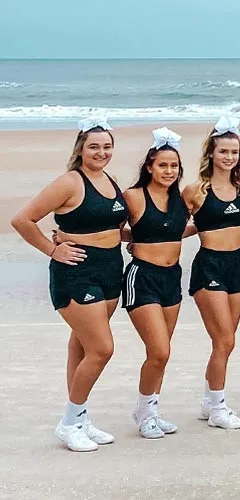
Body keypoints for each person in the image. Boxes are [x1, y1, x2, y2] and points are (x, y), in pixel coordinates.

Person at [12, 117, 125, 451]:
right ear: (81, 149)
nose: (101, 152)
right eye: (94, 146)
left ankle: (80, 418)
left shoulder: (110, 180)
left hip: (110, 269)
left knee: (83, 344)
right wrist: (53, 248)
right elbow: (22, 219)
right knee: (103, 348)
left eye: (106, 146)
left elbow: (111, 227)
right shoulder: (70, 182)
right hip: (77, 271)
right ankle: (69, 422)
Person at [122, 127, 191, 438]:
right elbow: (112, 230)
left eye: (174, 166)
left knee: (162, 353)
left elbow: (178, 231)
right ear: (149, 166)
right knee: (159, 350)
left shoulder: (181, 200)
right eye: (162, 165)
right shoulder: (134, 197)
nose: (169, 171)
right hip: (143, 277)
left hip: (172, 278)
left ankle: (149, 410)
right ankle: (144, 413)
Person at [185, 116, 240, 430]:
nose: (228, 157)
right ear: (212, 153)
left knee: (225, 341)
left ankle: (208, 398)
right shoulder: (195, 190)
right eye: (223, 151)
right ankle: (219, 409)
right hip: (209, 265)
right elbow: (170, 223)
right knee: (225, 340)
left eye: (234, 152)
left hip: (238, 265)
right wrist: (136, 239)